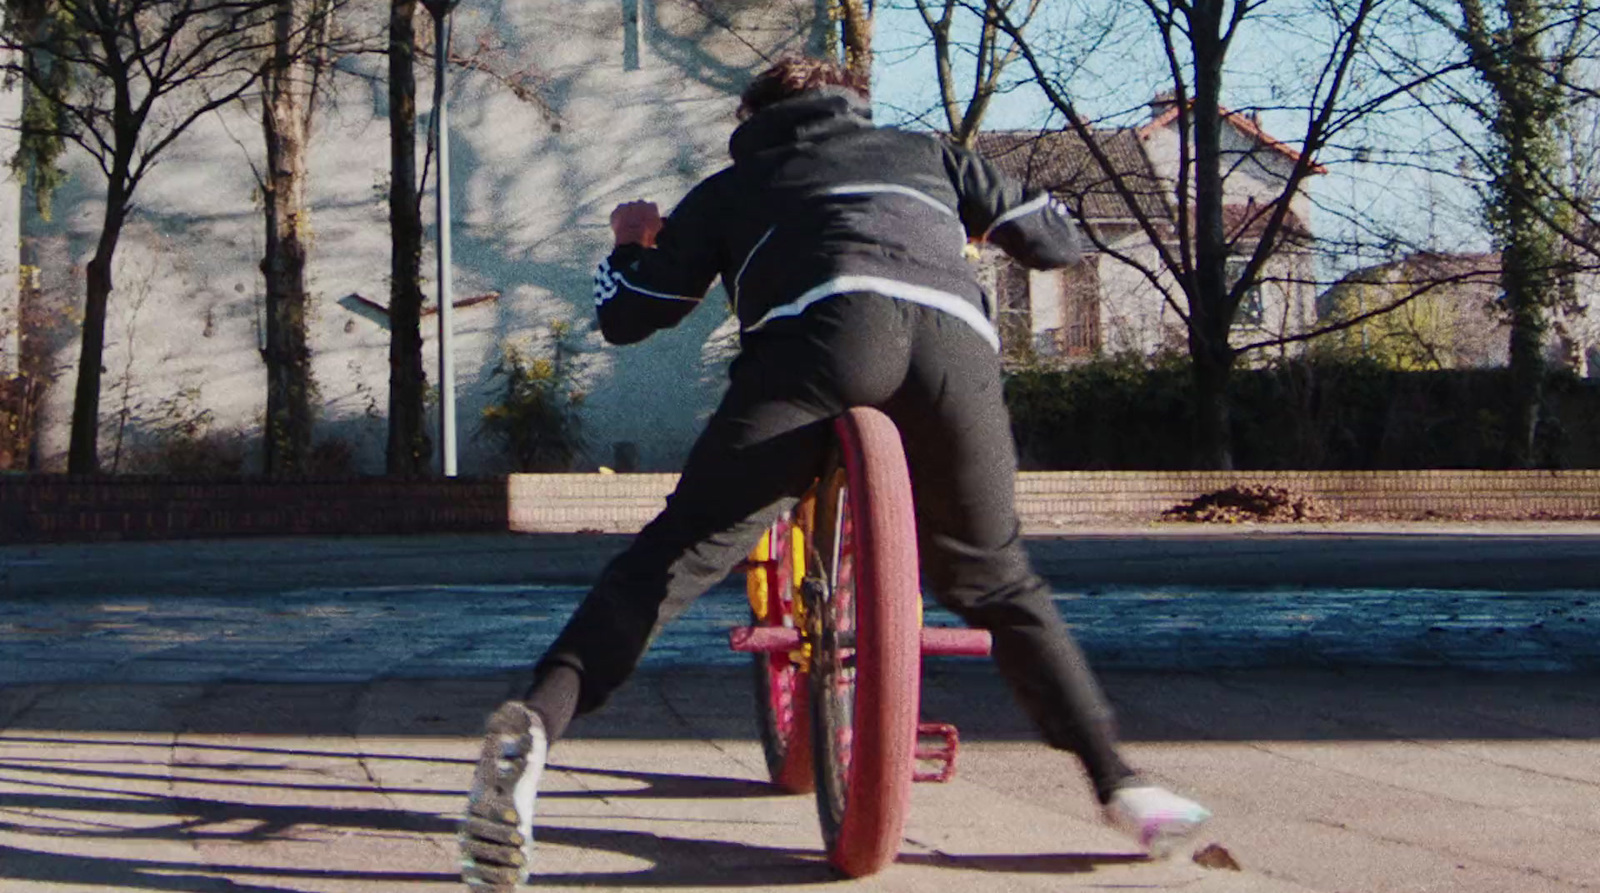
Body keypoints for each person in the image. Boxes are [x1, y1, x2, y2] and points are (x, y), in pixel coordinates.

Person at [458, 54, 1210, 890]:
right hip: (951, 344)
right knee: (998, 580)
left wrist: (629, 242)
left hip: (816, 339)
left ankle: (533, 729)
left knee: (672, 560)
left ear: (751, 118)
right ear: (853, 106)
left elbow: (629, 317)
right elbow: (1057, 243)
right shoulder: (928, 154)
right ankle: (1126, 787)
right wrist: (980, 224)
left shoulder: (732, 186)